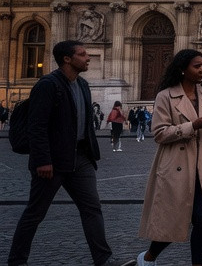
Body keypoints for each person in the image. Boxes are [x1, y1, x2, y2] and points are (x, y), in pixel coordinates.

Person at [7, 39, 121, 266]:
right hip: (53, 160)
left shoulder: (83, 84)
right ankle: (16, 261)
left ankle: (103, 259)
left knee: (92, 208)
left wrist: (90, 153)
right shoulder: (48, 85)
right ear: (67, 59)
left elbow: (85, 123)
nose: (88, 58)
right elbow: (37, 126)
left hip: (80, 158)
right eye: (82, 54)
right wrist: (42, 160)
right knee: (35, 212)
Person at [136, 49, 202, 266]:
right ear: (183, 69)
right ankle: (148, 257)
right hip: (176, 166)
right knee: (174, 219)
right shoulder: (165, 96)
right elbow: (159, 133)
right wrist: (193, 125)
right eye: (197, 66)